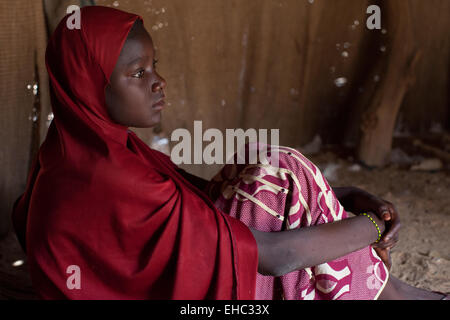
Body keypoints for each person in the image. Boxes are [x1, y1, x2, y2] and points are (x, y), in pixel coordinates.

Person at [11, 6, 447, 300]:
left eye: (154, 66)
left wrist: (341, 195)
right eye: (137, 73)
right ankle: (392, 295)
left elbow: (196, 201)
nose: (158, 82)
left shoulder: (82, 153)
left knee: (270, 169)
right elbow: (276, 257)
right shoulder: (111, 178)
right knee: (279, 178)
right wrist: (372, 226)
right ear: (90, 85)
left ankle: (392, 292)